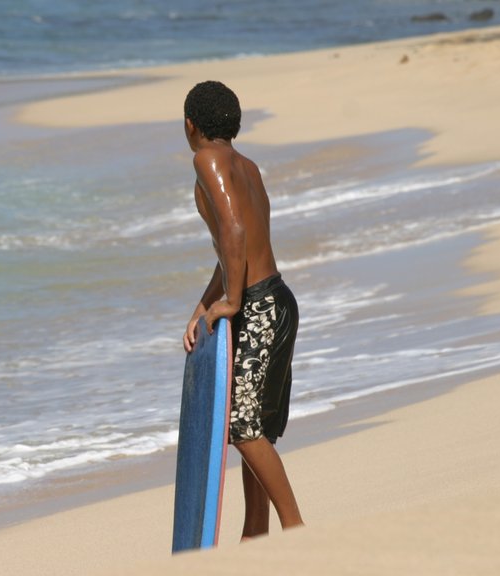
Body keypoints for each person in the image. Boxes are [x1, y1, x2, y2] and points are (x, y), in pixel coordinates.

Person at [180, 80, 304, 539]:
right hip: (277, 300)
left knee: (242, 426)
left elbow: (233, 232)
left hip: (259, 307)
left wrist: (231, 301)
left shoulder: (206, 159)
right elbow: (233, 246)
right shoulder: (246, 166)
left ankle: (295, 528)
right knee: (258, 430)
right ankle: (256, 538)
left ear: (191, 125)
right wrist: (205, 303)